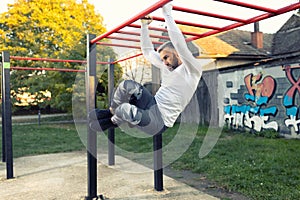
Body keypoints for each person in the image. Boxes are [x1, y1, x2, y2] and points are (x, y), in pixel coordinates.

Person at [89, 3, 210, 135]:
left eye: (167, 57)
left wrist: (167, 14)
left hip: (159, 122)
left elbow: (178, 43)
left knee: (126, 109)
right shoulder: (166, 67)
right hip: (152, 103)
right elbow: (147, 52)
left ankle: (113, 121)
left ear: (177, 54)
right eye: (162, 59)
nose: (164, 62)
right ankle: (112, 110)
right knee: (127, 85)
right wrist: (144, 26)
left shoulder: (192, 70)